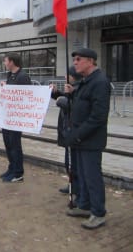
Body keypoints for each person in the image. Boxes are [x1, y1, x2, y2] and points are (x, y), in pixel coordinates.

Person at [64, 48, 110, 230]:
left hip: (90, 140)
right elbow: (83, 104)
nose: (75, 63)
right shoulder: (85, 82)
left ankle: (98, 213)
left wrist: (77, 134)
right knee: (82, 175)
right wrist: (71, 94)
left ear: (90, 61)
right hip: (80, 139)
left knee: (92, 177)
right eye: (74, 59)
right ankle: (84, 205)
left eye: (78, 59)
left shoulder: (99, 82)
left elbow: (98, 117)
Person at [0, 52, 31, 182]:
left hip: (16, 118)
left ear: (12, 62)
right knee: (8, 144)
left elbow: (27, 95)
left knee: (15, 145)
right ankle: (11, 167)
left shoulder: (23, 76)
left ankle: (18, 173)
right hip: (7, 117)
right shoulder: (10, 75)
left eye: (5, 61)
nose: (4, 63)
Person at [51, 66, 82, 196]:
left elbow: (72, 104)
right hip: (66, 130)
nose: (65, 77)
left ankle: (77, 187)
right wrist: (56, 93)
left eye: (67, 75)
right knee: (68, 161)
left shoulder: (79, 88)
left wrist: (62, 100)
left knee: (73, 162)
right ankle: (72, 184)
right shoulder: (71, 87)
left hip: (73, 129)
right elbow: (65, 97)